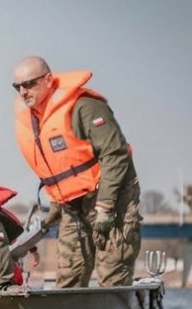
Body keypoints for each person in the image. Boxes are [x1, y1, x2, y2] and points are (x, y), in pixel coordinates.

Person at [12, 55, 142, 287]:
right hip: (72, 205)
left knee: (114, 270)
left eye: (29, 84)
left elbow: (115, 154)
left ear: (48, 79)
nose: (23, 91)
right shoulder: (32, 120)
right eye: (17, 86)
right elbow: (61, 168)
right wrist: (56, 206)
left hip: (110, 196)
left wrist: (105, 207)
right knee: (69, 274)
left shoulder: (84, 107)